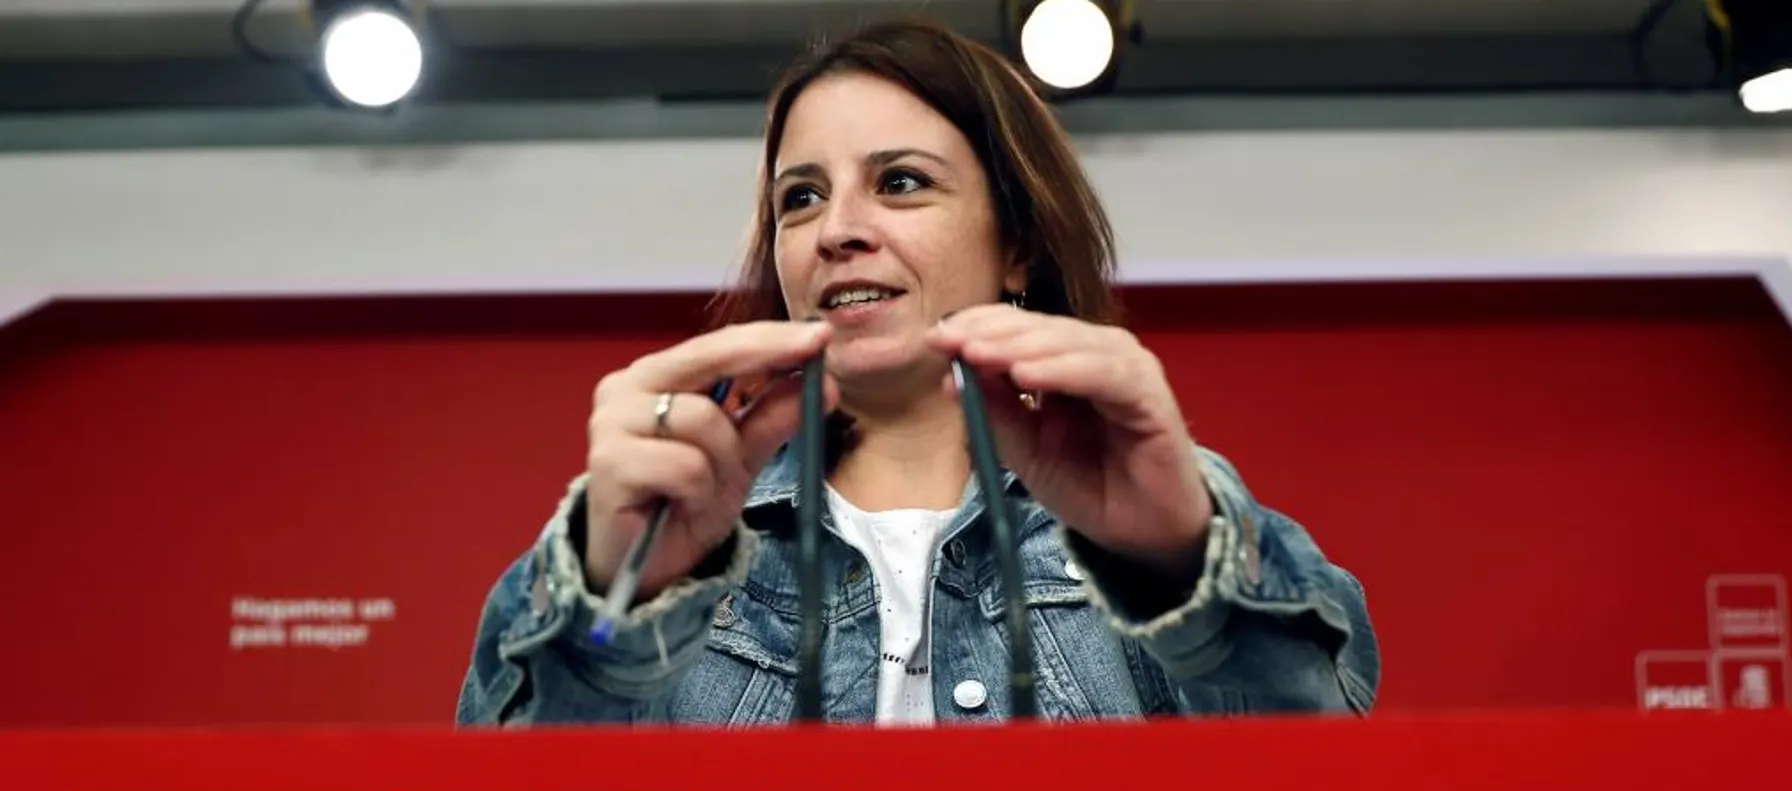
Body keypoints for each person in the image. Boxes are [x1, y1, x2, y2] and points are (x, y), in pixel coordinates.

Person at [455, 17, 1379, 728]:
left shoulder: (1162, 527)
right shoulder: (672, 541)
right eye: (801, 197)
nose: (837, 228)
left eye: (900, 182)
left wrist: (1179, 566)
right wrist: (616, 603)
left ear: (1016, 246)